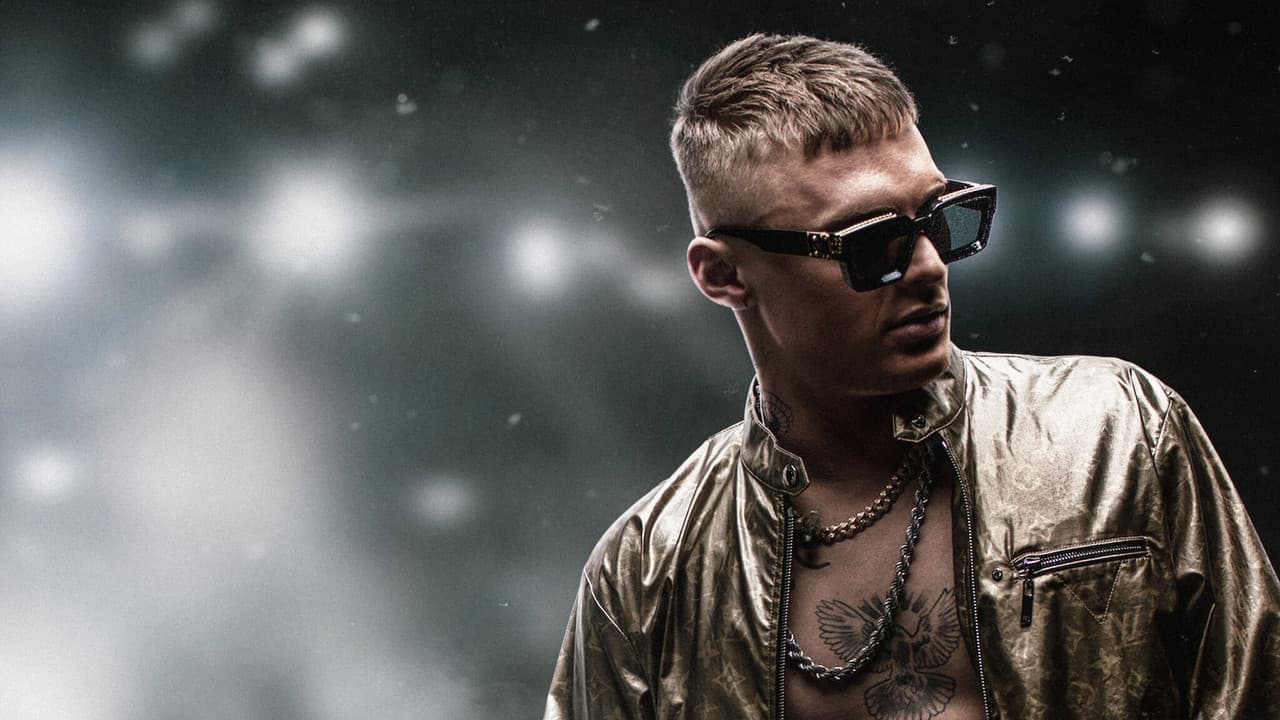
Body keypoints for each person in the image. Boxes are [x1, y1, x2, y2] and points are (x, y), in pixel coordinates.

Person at [544, 33, 1280, 720]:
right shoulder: (648, 570)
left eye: (941, 218)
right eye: (872, 245)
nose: (930, 266)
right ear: (724, 275)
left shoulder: (1118, 431)